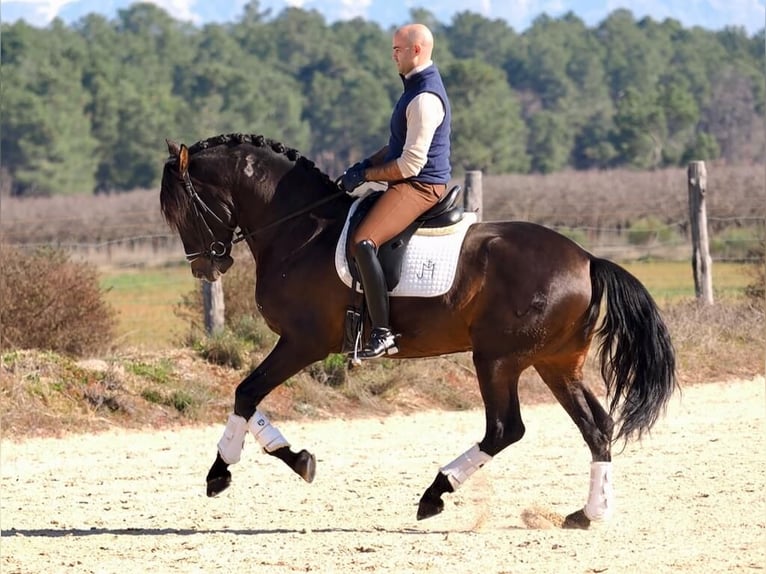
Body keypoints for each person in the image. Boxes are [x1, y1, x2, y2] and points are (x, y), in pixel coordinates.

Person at [340, 23, 452, 359]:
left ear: (417, 50)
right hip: (408, 180)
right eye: (392, 50)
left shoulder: (424, 98)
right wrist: (361, 165)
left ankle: (383, 332)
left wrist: (368, 175)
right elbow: (394, 146)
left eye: (397, 50)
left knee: (363, 241)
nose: (393, 57)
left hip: (420, 186)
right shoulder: (413, 90)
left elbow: (409, 165)